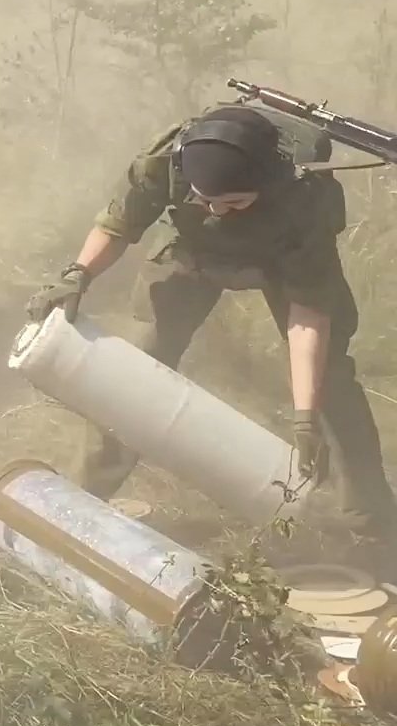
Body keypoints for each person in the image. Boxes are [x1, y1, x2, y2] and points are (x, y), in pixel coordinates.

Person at [25, 101, 397, 546]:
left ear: (264, 181)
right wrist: (77, 275)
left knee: (330, 380)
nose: (219, 211)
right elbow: (117, 224)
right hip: (193, 251)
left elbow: (308, 317)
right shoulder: (166, 162)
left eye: (235, 202)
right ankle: (86, 495)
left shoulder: (305, 199)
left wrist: (304, 418)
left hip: (281, 260)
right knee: (137, 368)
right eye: (207, 200)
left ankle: (371, 526)